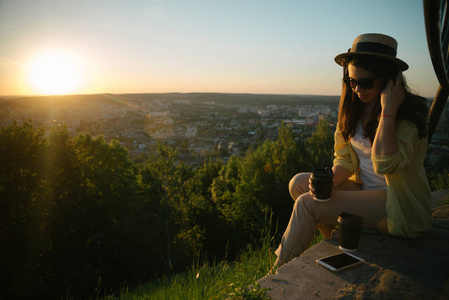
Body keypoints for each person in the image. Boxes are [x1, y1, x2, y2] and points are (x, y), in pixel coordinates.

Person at [273, 33, 432, 269]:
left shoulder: (408, 117)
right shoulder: (355, 110)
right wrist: (333, 178)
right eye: (352, 82)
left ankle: (274, 275)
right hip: (365, 190)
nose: (357, 89)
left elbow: (385, 164)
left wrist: (389, 110)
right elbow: (344, 159)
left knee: (308, 204)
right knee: (299, 183)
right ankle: (331, 240)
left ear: (389, 79)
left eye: (366, 82)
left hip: (396, 201)